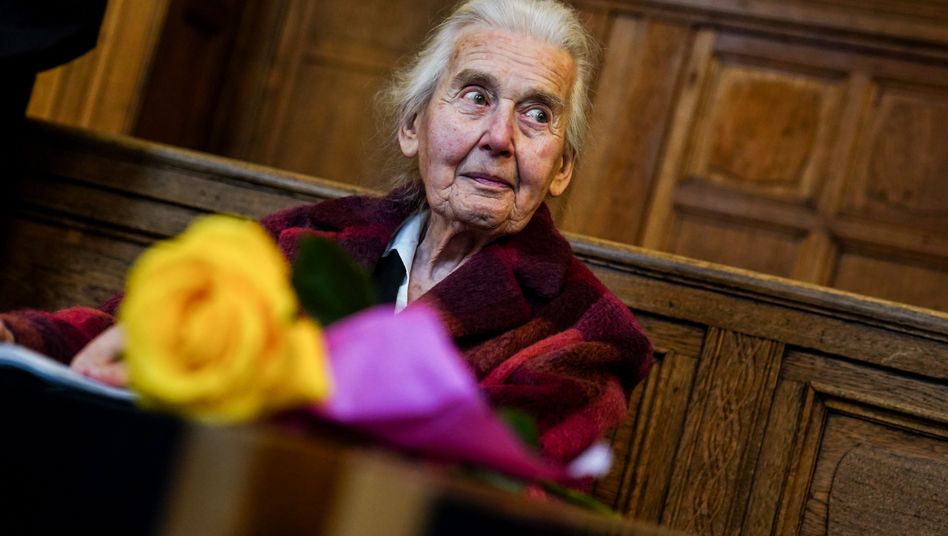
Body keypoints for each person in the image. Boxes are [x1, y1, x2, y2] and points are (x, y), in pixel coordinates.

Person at [0, 0, 652, 464]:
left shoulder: (587, 330)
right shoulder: (306, 240)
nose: (499, 137)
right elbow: (126, 330)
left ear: (561, 168)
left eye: (536, 114)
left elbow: (490, 492)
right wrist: (20, 337)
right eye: (476, 96)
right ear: (413, 127)